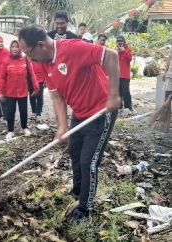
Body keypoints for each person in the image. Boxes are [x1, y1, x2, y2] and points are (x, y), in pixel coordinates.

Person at [18, 24, 120, 223]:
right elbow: (57, 98)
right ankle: (78, 191)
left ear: (41, 45)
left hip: (100, 112)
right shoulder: (44, 62)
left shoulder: (72, 48)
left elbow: (111, 55)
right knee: (74, 152)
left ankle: (85, 209)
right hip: (80, 114)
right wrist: (63, 126)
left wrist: (114, 95)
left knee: (88, 161)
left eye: (29, 53)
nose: (29, 59)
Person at [0, 40, 39, 139]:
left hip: (23, 92)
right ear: (10, 48)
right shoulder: (6, 61)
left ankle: (24, 127)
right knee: (10, 111)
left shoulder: (25, 60)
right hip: (10, 93)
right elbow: (2, 78)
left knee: (23, 111)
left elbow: (32, 75)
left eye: (17, 47)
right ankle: (10, 131)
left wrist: (36, 87)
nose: (15, 49)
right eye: (13, 47)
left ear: (20, 48)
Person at [116, 35, 135, 115]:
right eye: (118, 41)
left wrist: (124, 51)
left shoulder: (128, 50)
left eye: (121, 41)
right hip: (117, 75)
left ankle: (128, 107)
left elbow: (129, 59)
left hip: (125, 75)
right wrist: (117, 51)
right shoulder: (116, 51)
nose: (120, 43)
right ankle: (119, 107)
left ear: (124, 41)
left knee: (125, 91)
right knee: (118, 92)